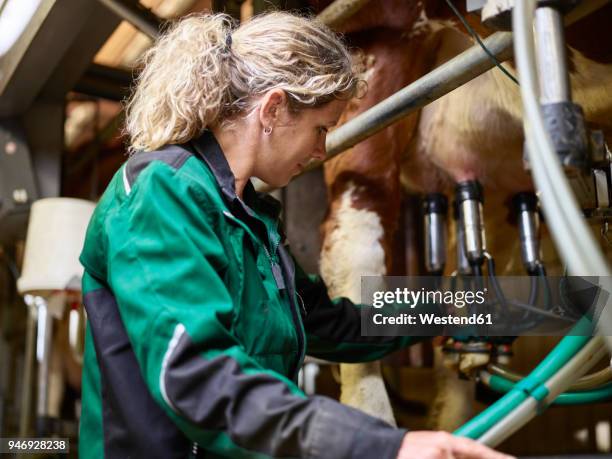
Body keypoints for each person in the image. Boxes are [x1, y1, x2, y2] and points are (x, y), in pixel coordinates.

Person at [78, 11, 514, 459]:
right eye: (320, 129)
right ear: (272, 109)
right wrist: (384, 446)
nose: (323, 150)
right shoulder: (160, 193)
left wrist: (448, 310)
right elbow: (196, 377)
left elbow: (326, 321)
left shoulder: (249, 214)